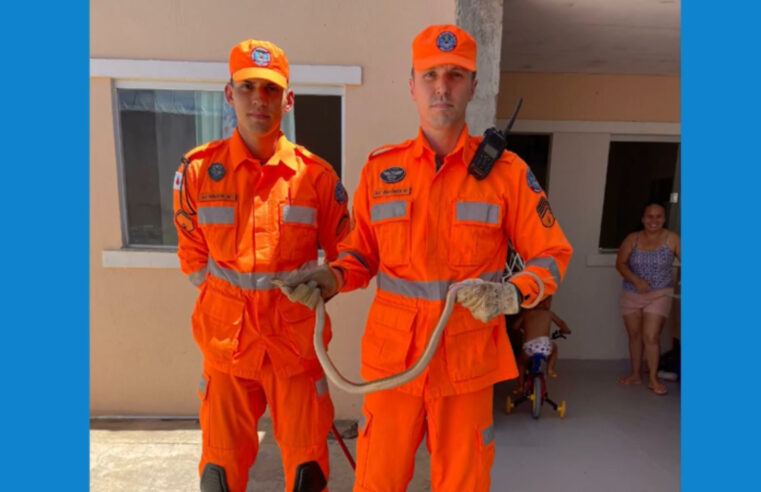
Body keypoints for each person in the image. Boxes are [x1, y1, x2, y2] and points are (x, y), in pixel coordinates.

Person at [279, 24, 572, 491]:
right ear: (412, 85)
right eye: (430, 74)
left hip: (468, 363)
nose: (442, 86)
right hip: (392, 364)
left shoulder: (508, 175)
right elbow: (361, 254)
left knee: (463, 483)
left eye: (455, 75)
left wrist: (511, 294)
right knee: (378, 480)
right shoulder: (381, 169)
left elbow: (552, 254)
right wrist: (331, 279)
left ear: (472, 87)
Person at [172, 39, 350, 492]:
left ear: (287, 99)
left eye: (270, 90)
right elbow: (192, 258)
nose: (259, 100)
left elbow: (352, 253)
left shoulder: (317, 178)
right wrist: (224, 304)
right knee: (219, 474)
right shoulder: (196, 172)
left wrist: (329, 280)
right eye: (247, 87)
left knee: (308, 472)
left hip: (295, 350)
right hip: (227, 349)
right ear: (228, 94)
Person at [615, 202, 680, 395]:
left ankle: (653, 379)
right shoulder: (632, 239)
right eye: (650, 217)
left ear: (664, 218)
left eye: (658, 216)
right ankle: (635, 374)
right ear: (643, 219)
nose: (654, 221)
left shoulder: (673, 239)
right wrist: (636, 280)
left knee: (650, 336)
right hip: (632, 293)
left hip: (660, 293)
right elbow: (620, 263)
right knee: (634, 335)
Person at [509, 296, 571, 393]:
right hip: (544, 346)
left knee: (520, 363)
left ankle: (520, 387)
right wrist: (565, 330)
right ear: (547, 303)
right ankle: (550, 369)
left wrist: (523, 327)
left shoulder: (526, 314)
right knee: (554, 347)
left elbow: (514, 326)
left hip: (529, 347)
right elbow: (562, 324)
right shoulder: (549, 314)